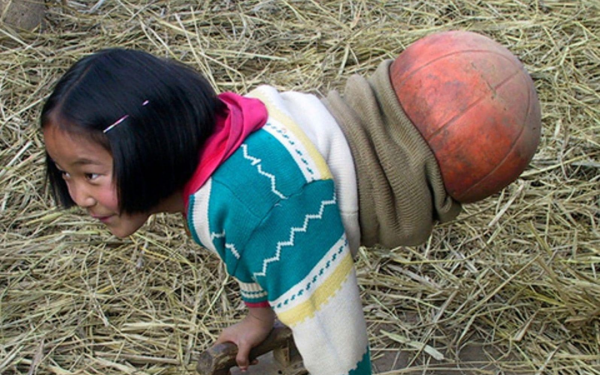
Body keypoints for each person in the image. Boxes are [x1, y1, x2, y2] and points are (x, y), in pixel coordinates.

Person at [41, 48, 373, 375]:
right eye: (65, 173)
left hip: (413, 149)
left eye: (91, 175)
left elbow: (331, 329)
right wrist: (258, 319)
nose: (79, 195)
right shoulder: (217, 154)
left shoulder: (254, 198)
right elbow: (251, 250)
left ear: (147, 147)